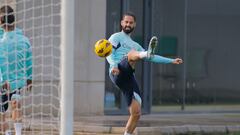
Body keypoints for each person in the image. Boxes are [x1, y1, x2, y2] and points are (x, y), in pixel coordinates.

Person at [106, 12, 183, 135]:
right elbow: (108, 52)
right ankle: (145, 53)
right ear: (121, 23)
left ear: (134, 24)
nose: (128, 24)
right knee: (132, 54)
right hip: (118, 71)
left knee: (136, 113)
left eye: (131, 22)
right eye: (126, 22)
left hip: (129, 76)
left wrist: (171, 60)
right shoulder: (116, 37)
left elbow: (152, 58)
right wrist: (114, 65)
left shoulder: (135, 45)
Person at [0, 5, 32, 135]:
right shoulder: (24, 40)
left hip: (3, 81)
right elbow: (29, 61)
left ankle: (7, 133)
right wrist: (29, 78)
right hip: (18, 81)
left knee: (1, 111)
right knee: (16, 105)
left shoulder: (1, 42)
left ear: (1, 22)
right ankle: (18, 133)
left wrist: (2, 80)